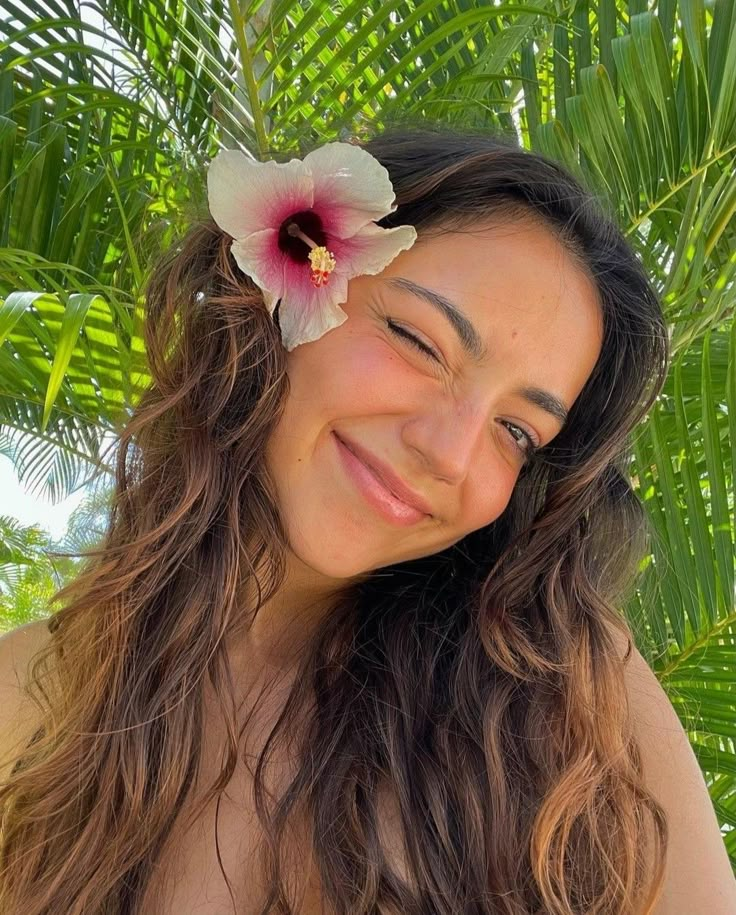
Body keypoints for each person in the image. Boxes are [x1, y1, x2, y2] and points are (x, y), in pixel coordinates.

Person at [1, 120, 734, 915]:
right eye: (420, 341)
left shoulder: (570, 705)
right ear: (278, 286)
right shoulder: (26, 698)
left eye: (517, 431)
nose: (450, 454)